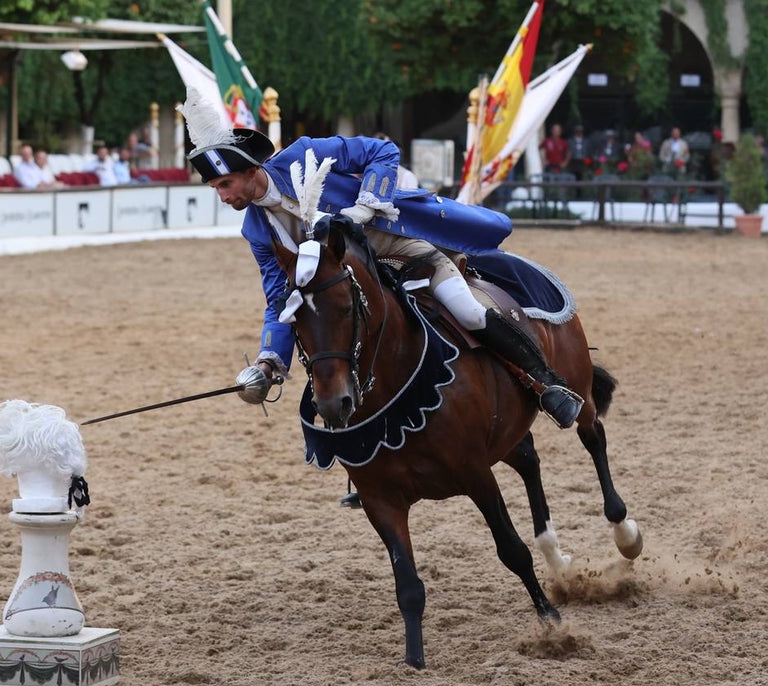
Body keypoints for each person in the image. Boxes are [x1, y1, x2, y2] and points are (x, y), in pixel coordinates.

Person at [180, 88, 583, 451]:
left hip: (394, 244)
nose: (223, 196)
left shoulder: (305, 152)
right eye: (216, 188)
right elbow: (279, 297)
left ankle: (547, 383)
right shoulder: (254, 230)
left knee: (470, 313)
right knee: (339, 352)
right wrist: (269, 360)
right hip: (342, 284)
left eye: (226, 184)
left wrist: (366, 204)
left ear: (252, 171)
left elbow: (380, 152)